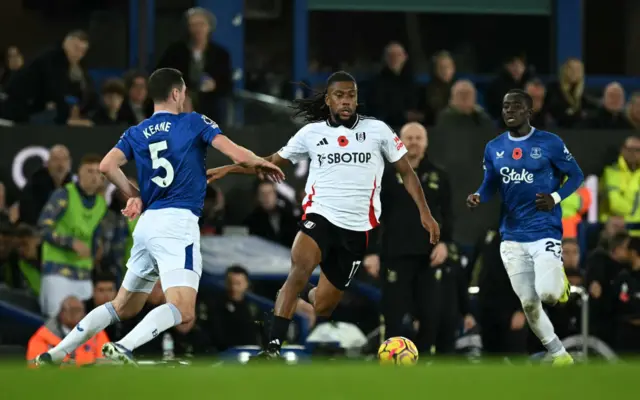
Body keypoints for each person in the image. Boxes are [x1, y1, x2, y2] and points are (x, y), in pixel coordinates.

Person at [34, 67, 284, 366]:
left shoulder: (136, 132)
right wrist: (260, 162)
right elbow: (237, 154)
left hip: (148, 224)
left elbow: (106, 166)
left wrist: (134, 194)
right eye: (184, 94)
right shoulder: (193, 121)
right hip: (177, 225)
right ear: (177, 93)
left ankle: (55, 352)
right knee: (184, 310)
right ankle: (123, 347)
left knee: (123, 306)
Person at [207, 71, 440, 359]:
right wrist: (229, 168)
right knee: (300, 268)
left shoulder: (379, 131)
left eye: (351, 95)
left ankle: (301, 295)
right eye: (339, 95)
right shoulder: (311, 133)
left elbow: (406, 171)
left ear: (356, 99)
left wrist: (425, 213)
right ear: (328, 99)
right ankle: (272, 349)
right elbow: (268, 163)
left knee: (323, 306)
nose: (345, 101)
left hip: (358, 230)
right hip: (320, 216)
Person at [466, 88, 584, 366]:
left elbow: (576, 175)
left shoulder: (550, 142)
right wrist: (479, 195)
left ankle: (562, 284)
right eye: (505, 106)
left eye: (516, 106)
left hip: (543, 230)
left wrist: (555, 198)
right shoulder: (494, 147)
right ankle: (559, 355)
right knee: (529, 304)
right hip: (511, 236)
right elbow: (491, 182)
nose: (509, 111)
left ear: (529, 112)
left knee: (549, 294)